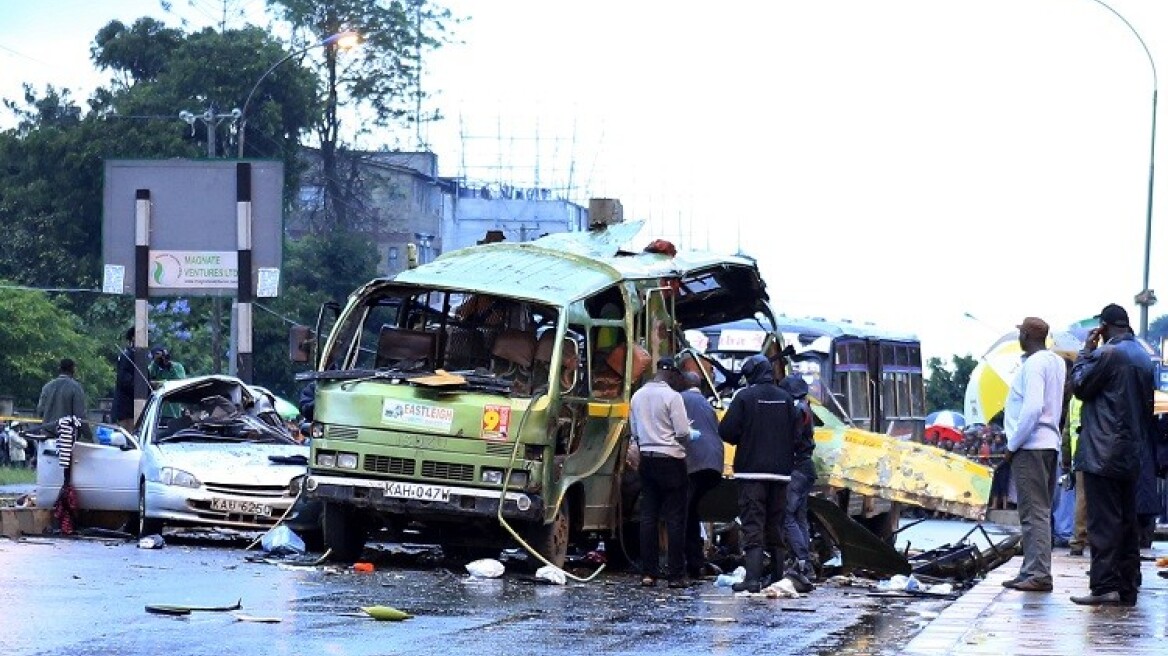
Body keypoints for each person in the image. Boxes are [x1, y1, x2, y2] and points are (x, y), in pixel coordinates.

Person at [1069, 303, 1156, 606]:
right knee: (1126, 522)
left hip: (1102, 452)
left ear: (1104, 328)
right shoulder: (1144, 357)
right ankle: (1128, 586)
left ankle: (1104, 586)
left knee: (1103, 523)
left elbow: (1079, 386)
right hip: (1132, 452)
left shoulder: (1108, 354)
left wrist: (1084, 352)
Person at [719, 353, 799, 593]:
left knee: (752, 522)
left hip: (751, 472)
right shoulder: (786, 399)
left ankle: (752, 578)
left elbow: (727, 431)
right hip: (781, 473)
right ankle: (776, 577)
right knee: (776, 523)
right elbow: (796, 434)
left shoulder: (744, 397)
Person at [999, 317, 1065, 593]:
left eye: (1021, 333)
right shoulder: (1056, 361)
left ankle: (1038, 573)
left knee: (1033, 511)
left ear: (1026, 335)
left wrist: (1012, 444)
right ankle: (1031, 568)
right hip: (1049, 443)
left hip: (1031, 445)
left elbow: (1032, 408)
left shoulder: (1035, 364)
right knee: (1039, 510)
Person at [629, 356, 692, 589]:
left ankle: (649, 573)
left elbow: (634, 431)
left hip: (647, 459)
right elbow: (683, 431)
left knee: (648, 517)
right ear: (673, 375)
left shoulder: (637, 396)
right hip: (671, 460)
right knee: (675, 518)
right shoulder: (673, 397)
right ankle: (675, 575)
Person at [678, 371, 724, 580]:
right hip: (714, 461)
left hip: (695, 461)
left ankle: (686, 563)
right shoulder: (706, 403)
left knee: (684, 513)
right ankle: (695, 562)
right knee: (692, 511)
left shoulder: (680, 399)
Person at [778, 374, 817, 592]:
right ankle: (806, 563)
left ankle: (801, 559)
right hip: (806, 467)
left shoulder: (798, 410)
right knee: (800, 516)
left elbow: (792, 438)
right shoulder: (806, 407)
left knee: (787, 515)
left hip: (798, 468)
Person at [37, 358, 88, 427]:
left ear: (59, 369)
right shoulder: (76, 388)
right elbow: (80, 415)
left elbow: (40, 411)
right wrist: (88, 435)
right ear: (73, 369)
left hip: (47, 432)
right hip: (67, 434)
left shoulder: (47, 387)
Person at [111, 327, 138, 431]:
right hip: (126, 409)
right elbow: (124, 380)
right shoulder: (127, 356)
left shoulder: (139, 356)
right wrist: (142, 387)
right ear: (133, 338)